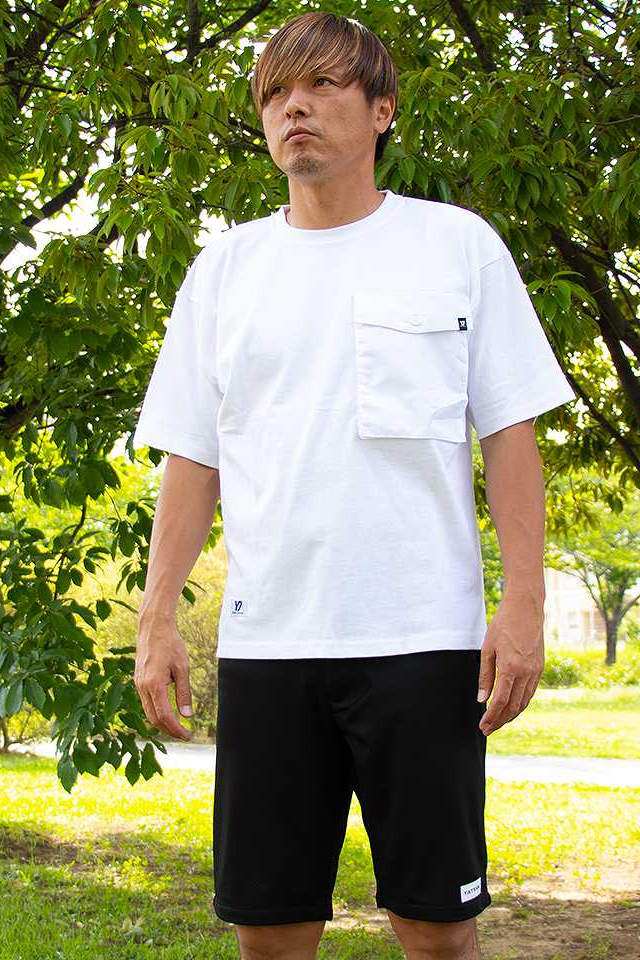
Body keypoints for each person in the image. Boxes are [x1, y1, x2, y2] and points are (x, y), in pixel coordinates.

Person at [132, 11, 576, 960]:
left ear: (382, 110)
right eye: (275, 93)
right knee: (270, 932)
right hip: (268, 646)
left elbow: (510, 435)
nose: (293, 107)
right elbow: (192, 458)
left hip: (424, 642)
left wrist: (524, 607)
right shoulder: (225, 270)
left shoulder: (457, 247)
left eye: (322, 85)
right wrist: (157, 617)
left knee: (437, 928)